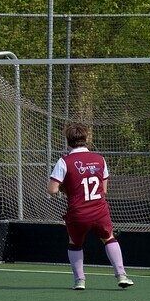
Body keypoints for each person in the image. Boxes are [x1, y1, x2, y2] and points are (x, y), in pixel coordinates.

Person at [47, 122, 134, 290]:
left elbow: (52, 189)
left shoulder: (64, 161)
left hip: (78, 212)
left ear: (68, 140)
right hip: (99, 210)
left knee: (75, 243)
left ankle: (80, 281)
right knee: (109, 237)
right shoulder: (99, 159)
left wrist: (67, 189)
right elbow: (104, 189)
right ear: (86, 139)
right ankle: (121, 275)